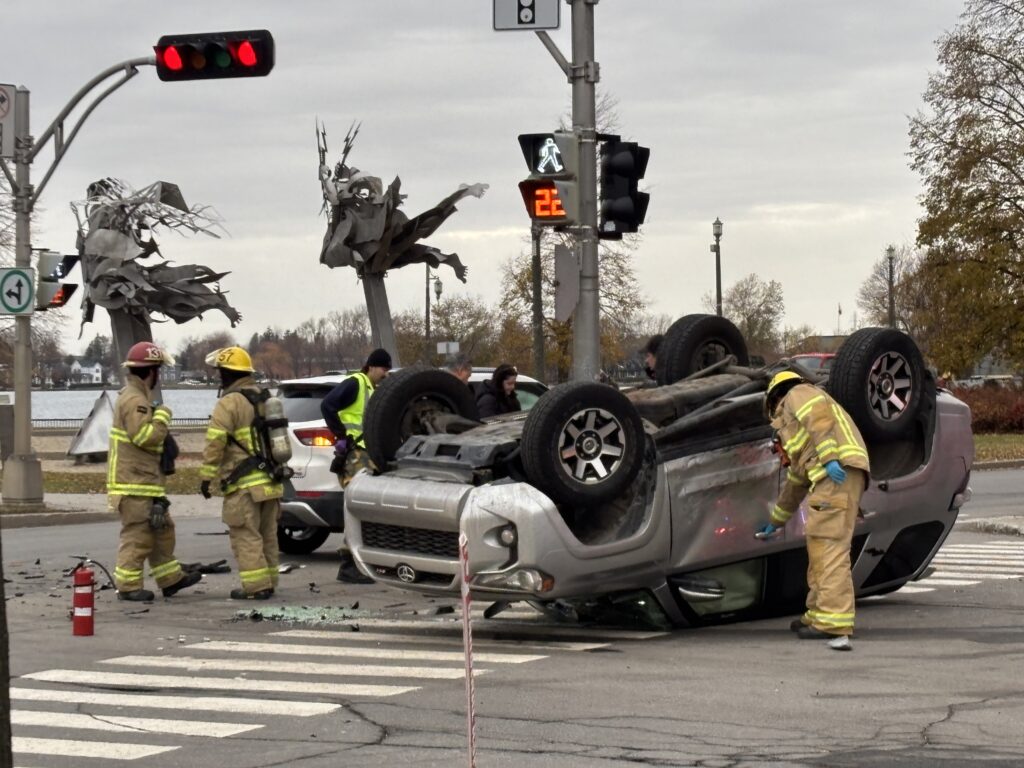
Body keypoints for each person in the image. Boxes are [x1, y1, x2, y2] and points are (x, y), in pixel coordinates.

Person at [757, 371, 870, 652]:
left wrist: (830, 459)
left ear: (775, 398)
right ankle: (818, 614)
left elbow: (820, 420)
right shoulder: (805, 439)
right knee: (820, 545)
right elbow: (797, 479)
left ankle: (832, 622)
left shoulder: (798, 394)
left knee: (830, 547)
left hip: (835, 473)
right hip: (833, 476)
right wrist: (777, 521)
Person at [108, 341, 201, 602]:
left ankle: (170, 579)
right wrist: (162, 418)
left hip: (144, 483)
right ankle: (128, 587)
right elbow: (144, 436)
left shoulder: (136, 398)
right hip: (134, 484)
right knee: (138, 535)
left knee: (162, 531)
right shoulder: (135, 400)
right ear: (151, 372)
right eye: (157, 371)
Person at [199, 346, 283, 600]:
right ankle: (270, 581)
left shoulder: (229, 403)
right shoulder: (264, 397)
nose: (218, 377)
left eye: (220, 372)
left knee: (246, 536)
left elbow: (215, 443)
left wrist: (206, 477)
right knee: (267, 535)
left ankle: (257, 587)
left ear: (228, 373)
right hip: (270, 481)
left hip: (244, 484)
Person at [321, 347, 392, 583]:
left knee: (366, 510)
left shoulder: (372, 387)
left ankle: (360, 562)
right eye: (383, 368)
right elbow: (328, 405)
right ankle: (350, 565)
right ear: (371, 366)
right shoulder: (356, 383)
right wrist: (340, 436)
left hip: (365, 455)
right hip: (355, 456)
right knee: (357, 511)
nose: (386, 373)